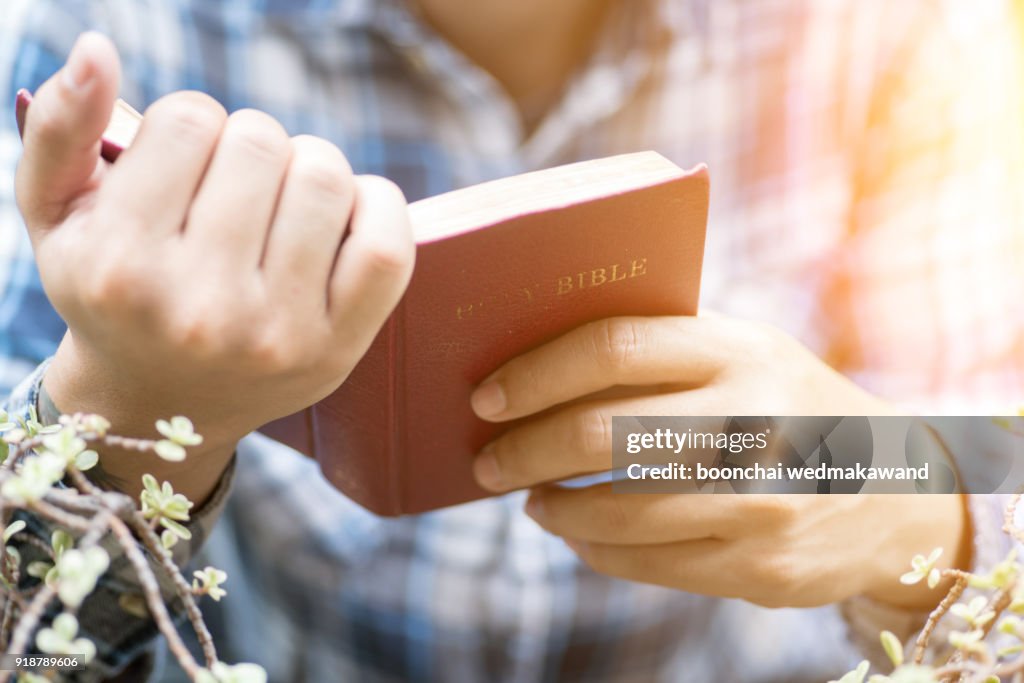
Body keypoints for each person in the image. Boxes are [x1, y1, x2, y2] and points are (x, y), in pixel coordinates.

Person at [1, 0, 1022, 680]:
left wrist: (893, 501)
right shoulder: (112, 32)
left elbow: (991, 455)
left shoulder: (889, 31)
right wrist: (132, 408)